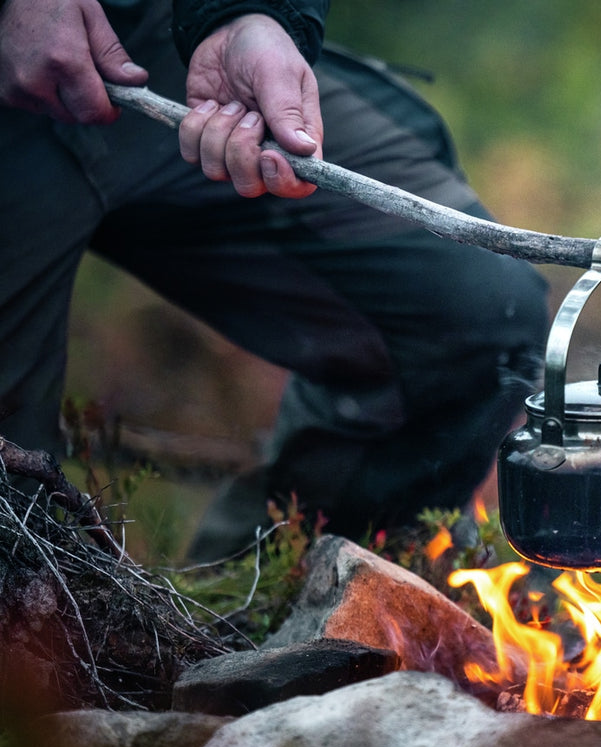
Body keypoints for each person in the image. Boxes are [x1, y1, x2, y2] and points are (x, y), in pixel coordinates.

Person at [0, 0, 550, 559]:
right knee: (16, 522)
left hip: (161, 38)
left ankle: (259, 605)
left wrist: (246, 13)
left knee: (477, 308)